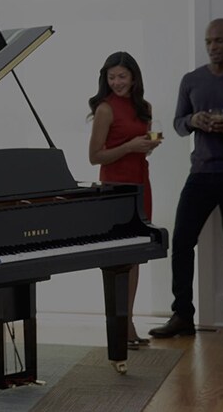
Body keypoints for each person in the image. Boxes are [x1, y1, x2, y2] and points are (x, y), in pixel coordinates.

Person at [149, 18, 223, 340]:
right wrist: (193, 119)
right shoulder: (191, 80)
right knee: (181, 242)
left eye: (219, 41)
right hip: (201, 172)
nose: (213, 47)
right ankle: (182, 315)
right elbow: (178, 123)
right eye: (208, 41)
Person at [87, 51, 161, 348]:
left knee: (135, 257)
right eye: (111, 77)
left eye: (122, 76)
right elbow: (95, 156)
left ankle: (128, 321)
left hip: (141, 184)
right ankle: (121, 326)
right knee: (119, 259)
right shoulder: (105, 109)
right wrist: (130, 146)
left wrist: (149, 144)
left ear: (133, 78)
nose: (117, 82)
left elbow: (143, 146)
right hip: (115, 189)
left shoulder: (144, 107)